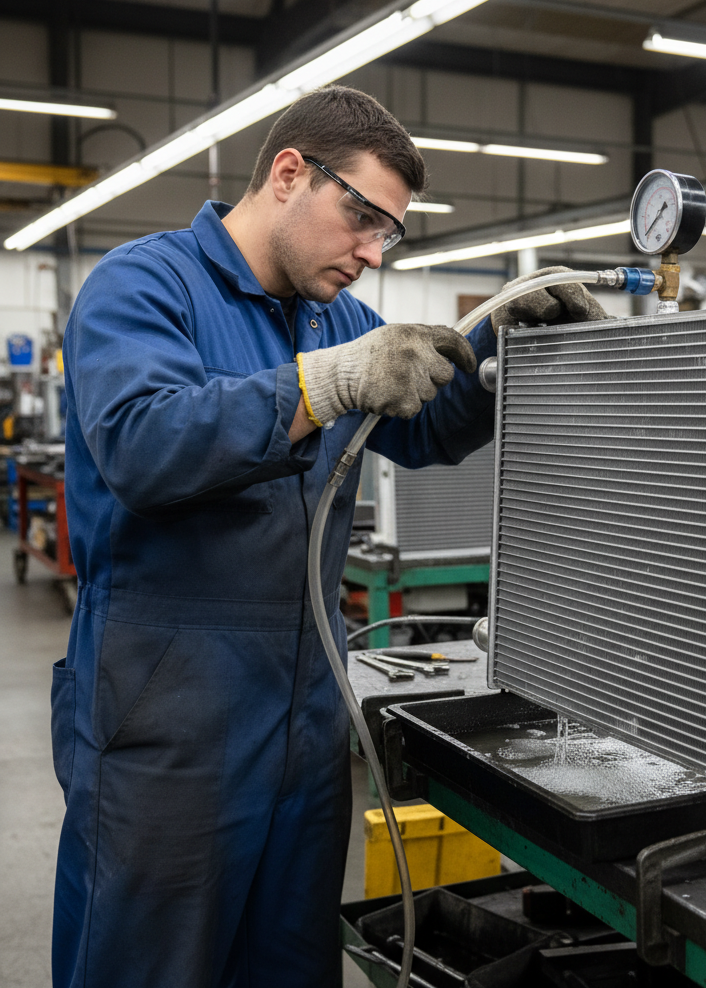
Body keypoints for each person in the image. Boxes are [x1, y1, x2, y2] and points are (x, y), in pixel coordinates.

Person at [51, 84, 606, 988]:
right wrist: (324, 384)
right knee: (149, 963)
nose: (370, 253)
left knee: (288, 964)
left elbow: (418, 428)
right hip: (166, 713)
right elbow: (143, 444)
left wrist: (500, 363)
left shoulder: (336, 316)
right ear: (287, 174)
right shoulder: (144, 285)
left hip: (304, 717)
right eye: (363, 219)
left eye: (388, 234)